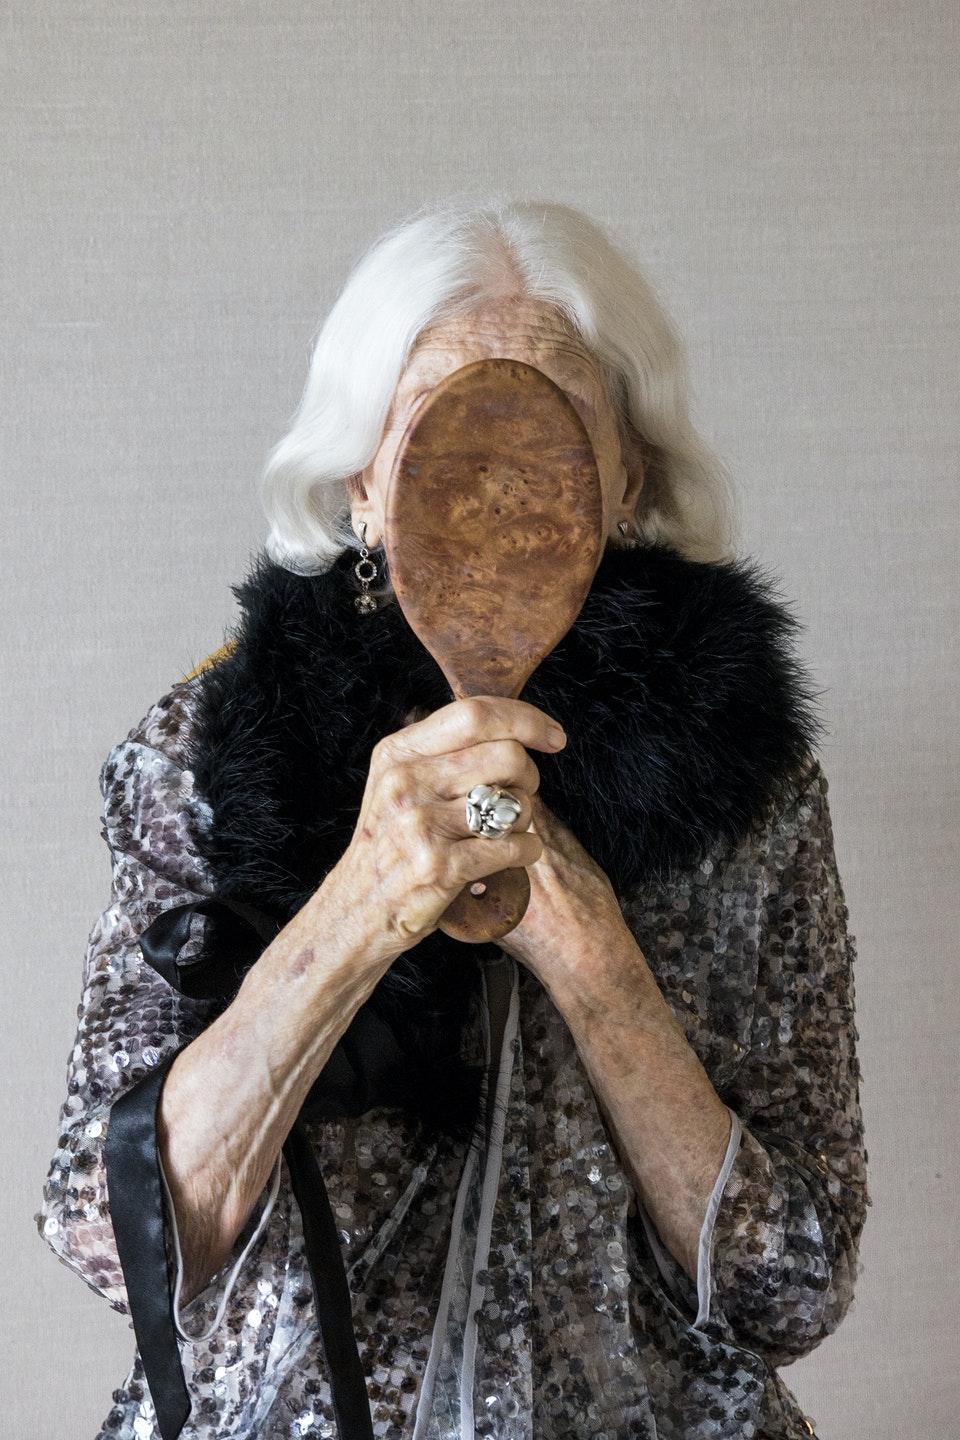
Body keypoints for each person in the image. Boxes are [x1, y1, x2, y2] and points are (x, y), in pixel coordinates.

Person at [39, 201, 867, 1440]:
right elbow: (113, 1241)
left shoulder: (747, 787)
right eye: (437, 431)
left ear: (625, 481)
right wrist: (360, 907)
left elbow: (790, 1290)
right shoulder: (203, 763)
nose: (494, 480)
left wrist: (594, 961)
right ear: (365, 481)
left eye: (555, 430)